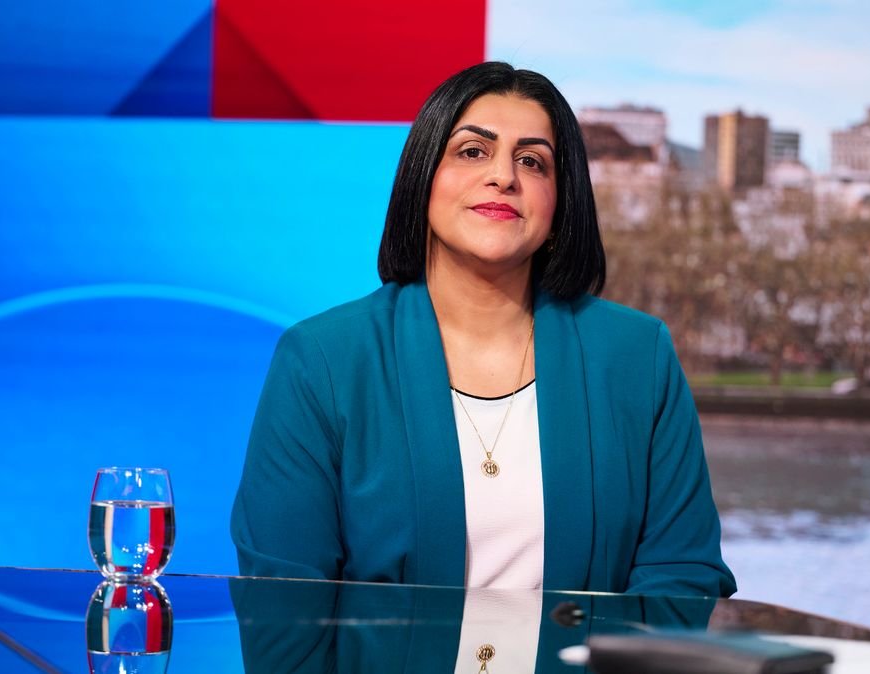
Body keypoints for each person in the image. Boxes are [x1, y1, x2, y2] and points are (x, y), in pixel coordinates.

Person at [231, 61, 736, 597]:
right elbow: (283, 598)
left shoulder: (638, 356)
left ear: (560, 202)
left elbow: (682, 577)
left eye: (532, 162)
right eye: (473, 151)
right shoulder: (321, 360)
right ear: (423, 177)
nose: (504, 177)